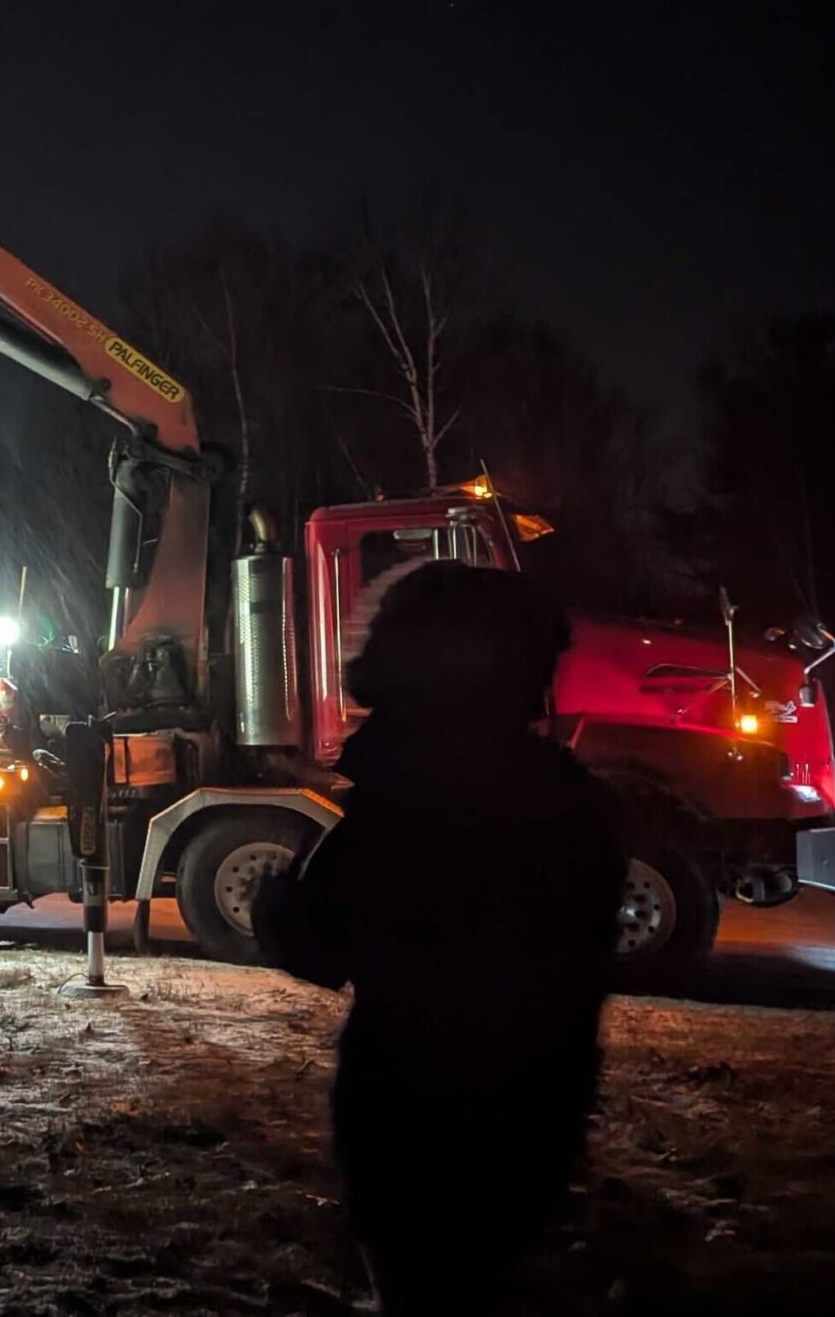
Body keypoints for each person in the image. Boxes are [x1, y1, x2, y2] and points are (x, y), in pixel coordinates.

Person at [255, 562, 627, 1314]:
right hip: (535, 1117)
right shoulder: (575, 807)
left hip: (406, 1125)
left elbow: (318, 945)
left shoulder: (396, 809)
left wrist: (275, 902)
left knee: (420, 1283)